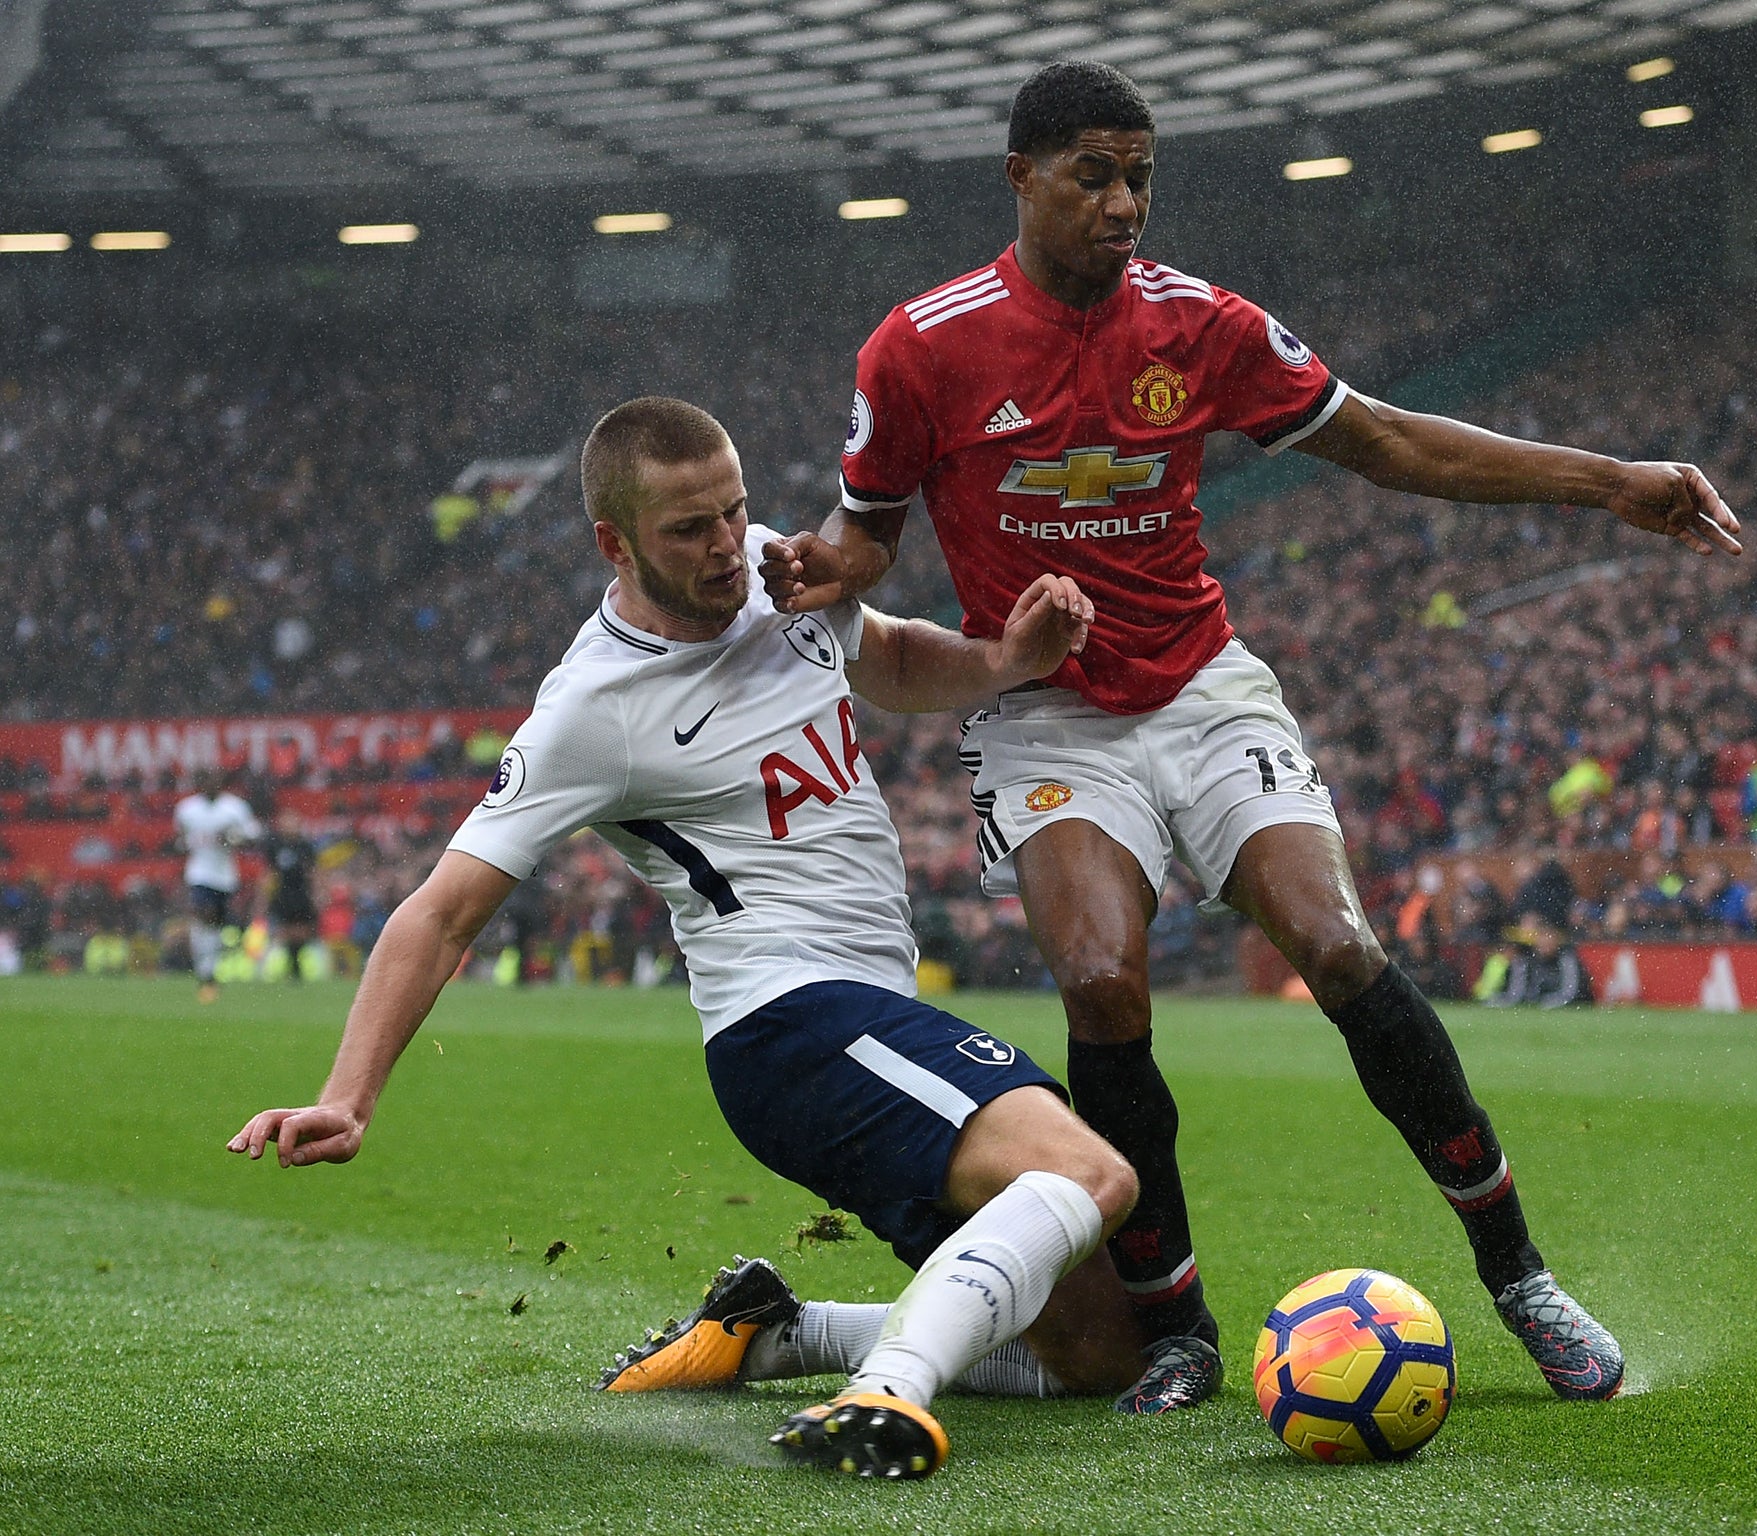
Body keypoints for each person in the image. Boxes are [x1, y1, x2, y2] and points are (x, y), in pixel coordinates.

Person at [762, 60, 1745, 1409]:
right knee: (1105, 982)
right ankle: (1179, 1329)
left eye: (1142, 175)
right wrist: (827, 567)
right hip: (1046, 707)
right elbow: (864, 530)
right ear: (1021, 178)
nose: (1125, 203)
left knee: (1340, 947)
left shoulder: (1204, 326)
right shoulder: (923, 346)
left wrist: (1610, 483)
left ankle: (1519, 1276)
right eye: (1095, 173)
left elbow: (1392, 442)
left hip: (1204, 687)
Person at [227, 397, 1150, 1482]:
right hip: (789, 1025)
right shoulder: (592, 710)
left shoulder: (772, 569)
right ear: (613, 544)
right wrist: (349, 1093)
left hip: (871, 1016)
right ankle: (883, 1396)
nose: (725, 547)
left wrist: (1002, 658)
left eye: (734, 510)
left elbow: (889, 659)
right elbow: (440, 910)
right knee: (1093, 1177)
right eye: (687, 529)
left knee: (1093, 1353)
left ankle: (781, 1332)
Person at [173, 768, 261, 1002]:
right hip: (199, 873)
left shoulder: (234, 808)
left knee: (217, 926)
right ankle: (206, 974)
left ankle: (209, 971)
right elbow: (178, 840)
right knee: (205, 916)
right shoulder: (187, 809)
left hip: (225, 875)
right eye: (205, 779)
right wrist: (185, 843)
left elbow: (253, 835)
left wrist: (232, 838)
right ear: (199, 783)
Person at [259, 808, 321, 982]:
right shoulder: (275, 846)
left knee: (302, 931)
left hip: (301, 894)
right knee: (283, 931)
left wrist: (318, 894)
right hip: (282, 894)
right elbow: (270, 873)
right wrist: (263, 898)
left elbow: (313, 872)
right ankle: (290, 965)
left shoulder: (305, 846)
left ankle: (295, 965)